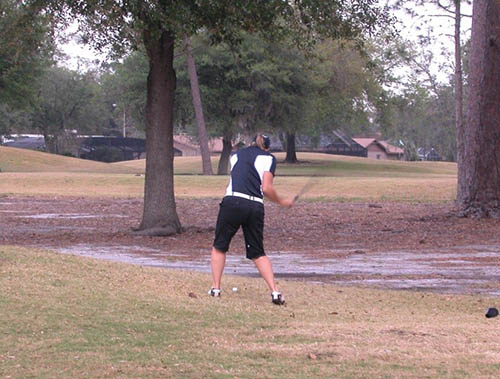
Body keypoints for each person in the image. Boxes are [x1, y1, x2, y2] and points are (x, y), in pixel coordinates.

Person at [208, 133, 295, 305]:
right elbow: (267, 189)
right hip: (254, 206)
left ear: (252, 143)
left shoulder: (236, 155)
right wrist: (282, 202)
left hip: (232, 201)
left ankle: (216, 288)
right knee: (257, 252)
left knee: (220, 246)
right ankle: (275, 292)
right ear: (268, 147)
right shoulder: (269, 159)